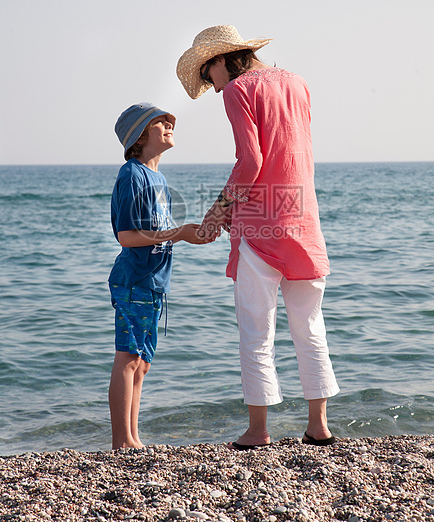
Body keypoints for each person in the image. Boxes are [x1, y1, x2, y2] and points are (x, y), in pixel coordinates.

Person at [177, 25, 340, 449]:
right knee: (310, 327)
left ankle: (257, 431)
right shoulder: (298, 82)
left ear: (220, 60)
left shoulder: (237, 90)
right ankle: (318, 427)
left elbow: (251, 161)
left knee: (256, 330)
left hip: (261, 224)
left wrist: (216, 215)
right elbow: (292, 153)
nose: (211, 87)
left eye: (206, 73)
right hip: (302, 217)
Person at [108, 102, 209, 449]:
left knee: (143, 364)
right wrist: (177, 233)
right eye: (159, 121)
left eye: (170, 121)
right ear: (139, 136)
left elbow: (161, 230)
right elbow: (127, 236)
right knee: (129, 358)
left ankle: (133, 438)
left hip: (154, 282)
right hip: (134, 278)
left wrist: (190, 234)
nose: (169, 124)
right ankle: (122, 442)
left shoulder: (158, 178)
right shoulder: (132, 175)